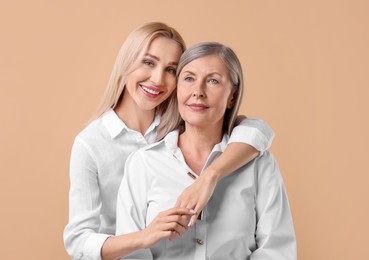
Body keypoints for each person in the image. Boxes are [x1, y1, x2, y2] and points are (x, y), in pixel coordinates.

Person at [63, 23, 274, 260]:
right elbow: (78, 241)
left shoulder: (184, 124)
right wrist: (144, 236)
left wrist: (209, 176)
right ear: (126, 63)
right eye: (149, 62)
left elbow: (257, 132)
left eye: (171, 69)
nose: (157, 79)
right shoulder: (91, 144)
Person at [116, 42, 296, 259]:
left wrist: (209, 177)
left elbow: (277, 250)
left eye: (213, 81)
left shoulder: (260, 164)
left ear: (232, 97)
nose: (198, 92)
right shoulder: (143, 163)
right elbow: (131, 254)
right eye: (189, 78)